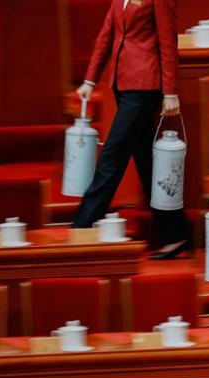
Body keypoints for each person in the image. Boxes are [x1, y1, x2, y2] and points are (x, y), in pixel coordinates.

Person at [74, 0, 191, 259]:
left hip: (144, 86)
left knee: (111, 158)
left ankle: (80, 230)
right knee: (147, 163)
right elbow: (107, 33)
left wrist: (171, 91)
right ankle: (176, 233)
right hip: (122, 83)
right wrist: (90, 79)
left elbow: (168, 43)